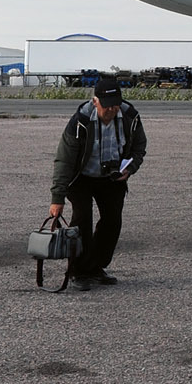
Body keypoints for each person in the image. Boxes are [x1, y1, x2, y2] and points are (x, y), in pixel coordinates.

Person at [48, 76, 147, 291]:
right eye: (106, 106)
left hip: (112, 178)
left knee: (112, 221)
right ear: (95, 101)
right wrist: (57, 198)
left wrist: (130, 168)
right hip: (81, 177)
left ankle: (96, 266)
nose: (111, 110)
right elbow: (64, 160)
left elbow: (140, 145)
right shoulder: (80, 121)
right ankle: (78, 271)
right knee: (82, 220)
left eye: (115, 105)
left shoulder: (130, 116)